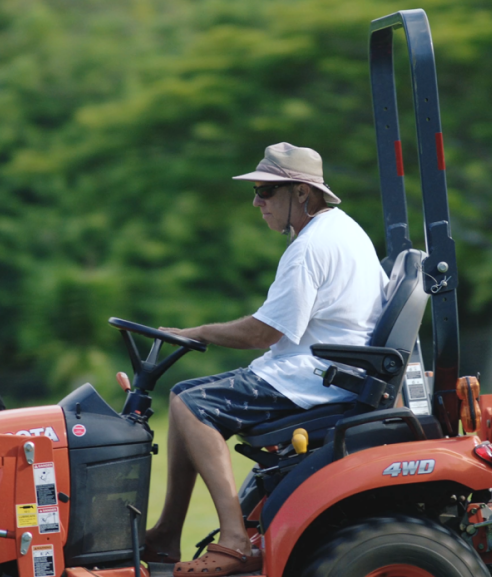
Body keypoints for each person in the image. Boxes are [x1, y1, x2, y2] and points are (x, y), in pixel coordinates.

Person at [143, 142, 387, 576]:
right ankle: (165, 535)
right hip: (332, 367)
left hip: (317, 375)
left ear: (301, 194)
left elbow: (263, 333)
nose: (257, 202)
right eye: (257, 191)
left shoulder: (310, 248)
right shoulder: (345, 230)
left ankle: (234, 540)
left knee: (190, 405)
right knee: (185, 395)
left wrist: (195, 332)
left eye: (265, 191)